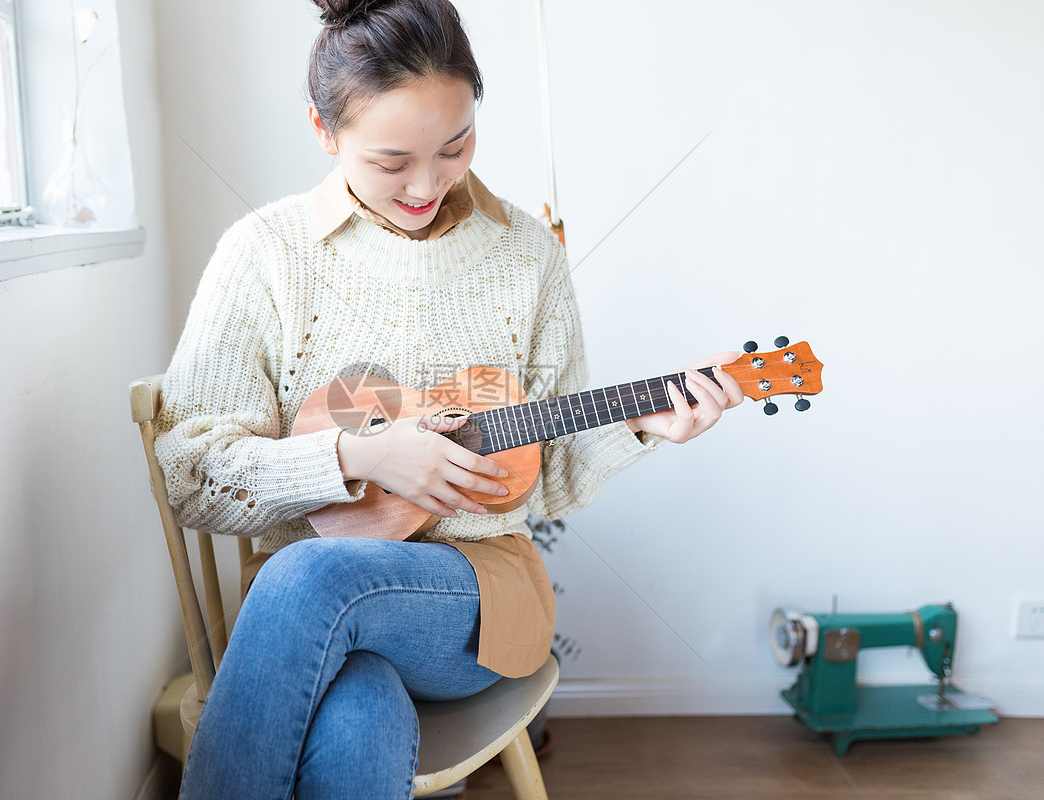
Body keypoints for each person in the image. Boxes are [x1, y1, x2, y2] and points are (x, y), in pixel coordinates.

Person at [154, 1, 744, 797]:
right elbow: (190, 473)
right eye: (392, 160)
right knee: (357, 715)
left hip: (473, 603)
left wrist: (644, 426)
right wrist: (358, 456)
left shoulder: (526, 253)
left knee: (308, 580)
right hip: (314, 615)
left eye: (455, 145)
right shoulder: (263, 255)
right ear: (324, 131)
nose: (426, 184)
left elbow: (556, 474)